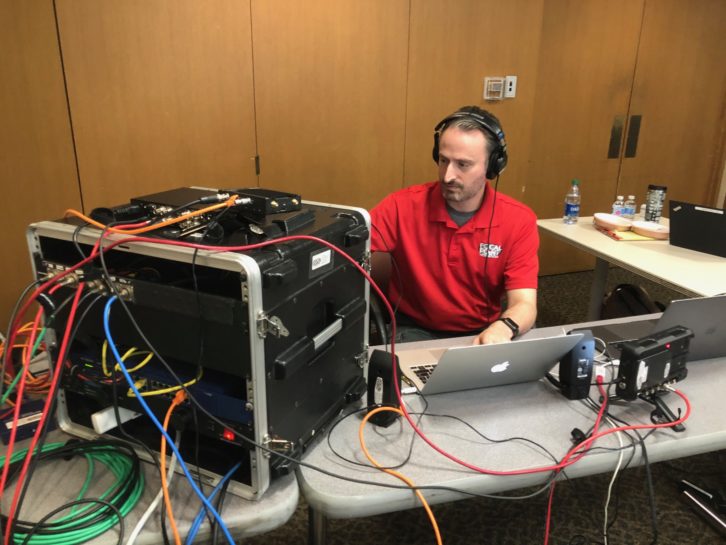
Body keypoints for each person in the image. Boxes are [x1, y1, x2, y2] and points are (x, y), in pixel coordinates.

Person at [370, 106, 538, 345]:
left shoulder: (519, 220)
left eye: (463, 164)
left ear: (493, 166)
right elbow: (345, 253)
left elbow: (525, 303)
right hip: (415, 330)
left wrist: (504, 327)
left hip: (484, 331)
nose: (448, 175)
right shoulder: (401, 206)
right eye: (443, 160)